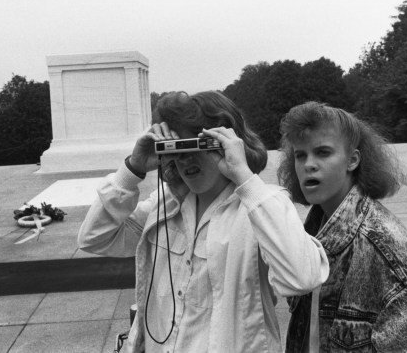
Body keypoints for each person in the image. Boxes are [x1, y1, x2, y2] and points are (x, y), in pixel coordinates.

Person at [78, 91, 329, 353]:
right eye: (177, 149)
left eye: (196, 146)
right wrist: (133, 169)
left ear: (224, 143)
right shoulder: (165, 204)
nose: (185, 159)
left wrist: (242, 174)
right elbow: (93, 239)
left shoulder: (261, 207)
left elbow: (302, 278)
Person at [281, 102, 407, 352]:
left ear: (352, 160)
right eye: (301, 155)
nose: (309, 164)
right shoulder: (312, 233)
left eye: (323, 152)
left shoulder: (381, 244)